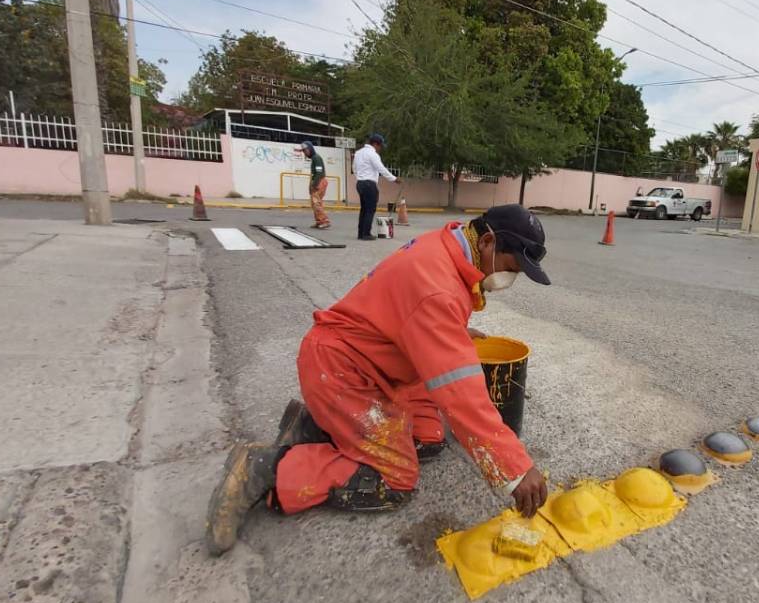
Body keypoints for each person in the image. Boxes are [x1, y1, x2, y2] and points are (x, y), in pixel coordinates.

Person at [205, 204, 553, 556]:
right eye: (512, 267)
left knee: (429, 437)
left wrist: (454, 333)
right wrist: (516, 470)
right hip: (343, 372)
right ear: (489, 242)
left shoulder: (449, 245)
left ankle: (314, 428)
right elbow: (461, 395)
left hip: (377, 364)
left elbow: (412, 307)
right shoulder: (438, 289)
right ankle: (262, 469)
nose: (511, 278)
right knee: (395, 478)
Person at [352, 133, 400, 241]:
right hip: (370, 184)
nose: (380, 149)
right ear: (375, 144)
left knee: (364, 209)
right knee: (370, 209)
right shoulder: (372, 154)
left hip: (360, 183)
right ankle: (366, 233)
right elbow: (381, 169)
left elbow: (354, 168)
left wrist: (360, 177)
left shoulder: (358, 153)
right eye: (380, 146)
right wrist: (394, 179)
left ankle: (361, 233)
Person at [300, 141, 331, 229]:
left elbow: (319, 172)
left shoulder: (316, 158)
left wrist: (314, 184)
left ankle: (324, 221)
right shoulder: (314, 158)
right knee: (315, 203)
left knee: (316, 203)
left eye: (305, 150)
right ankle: (319, 221)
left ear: (310, 149)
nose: (305, 153)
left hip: (319, 181)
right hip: (317, 181)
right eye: (303, 151)